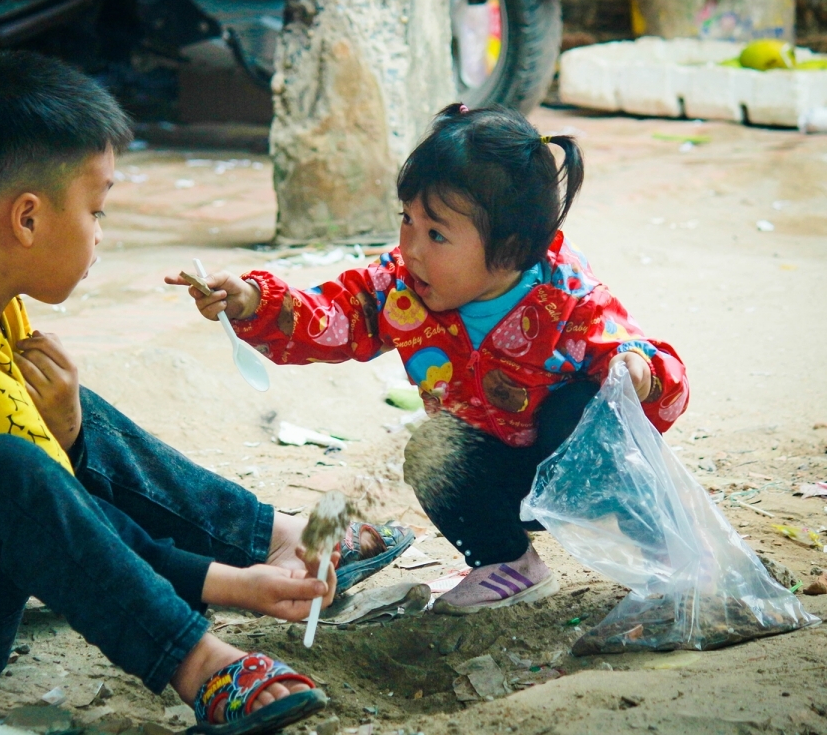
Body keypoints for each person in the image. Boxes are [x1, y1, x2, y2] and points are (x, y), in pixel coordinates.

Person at [0, 51, 408, 733]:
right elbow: (70, 516)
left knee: (64, 405)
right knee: (11, 472)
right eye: (96, 210)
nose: (102, 235)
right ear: (26, 219)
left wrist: (72, 429)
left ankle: (273, 537)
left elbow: (69, 499)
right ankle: (199, 663)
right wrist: (235, 592)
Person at [168, 103, 690, 616]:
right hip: (496, 471)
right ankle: (507, 563)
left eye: (436, 233)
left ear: (510, 251)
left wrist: (639, 376)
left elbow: (646, 363)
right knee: (429, 450)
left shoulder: (568, 300)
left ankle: (667, 554)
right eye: (407, 220)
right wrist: (256, 302)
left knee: (580, 407)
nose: (411, 247)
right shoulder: (401, 288)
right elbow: (334, 314)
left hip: (583, 472)